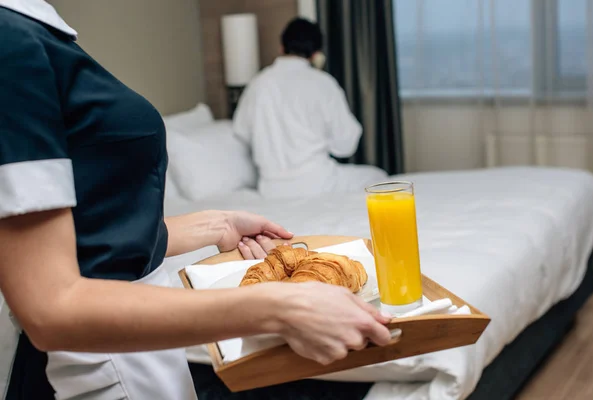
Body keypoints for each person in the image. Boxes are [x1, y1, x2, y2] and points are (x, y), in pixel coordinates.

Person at [0, 2, 393, 399]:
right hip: (96, 363)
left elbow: (99, 238)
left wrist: (217, 225)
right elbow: (50, 306)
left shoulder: (37, 30)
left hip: (138, 352)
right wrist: (278, 307)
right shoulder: (10, 38)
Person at [233, 18, 388, 199]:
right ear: (316, 54)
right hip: (318, 183)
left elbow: (241, 132)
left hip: (271, 189)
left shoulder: (257, 84)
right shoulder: (322, 83)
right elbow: (346, 144)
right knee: (378, 178)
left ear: (281, 47)